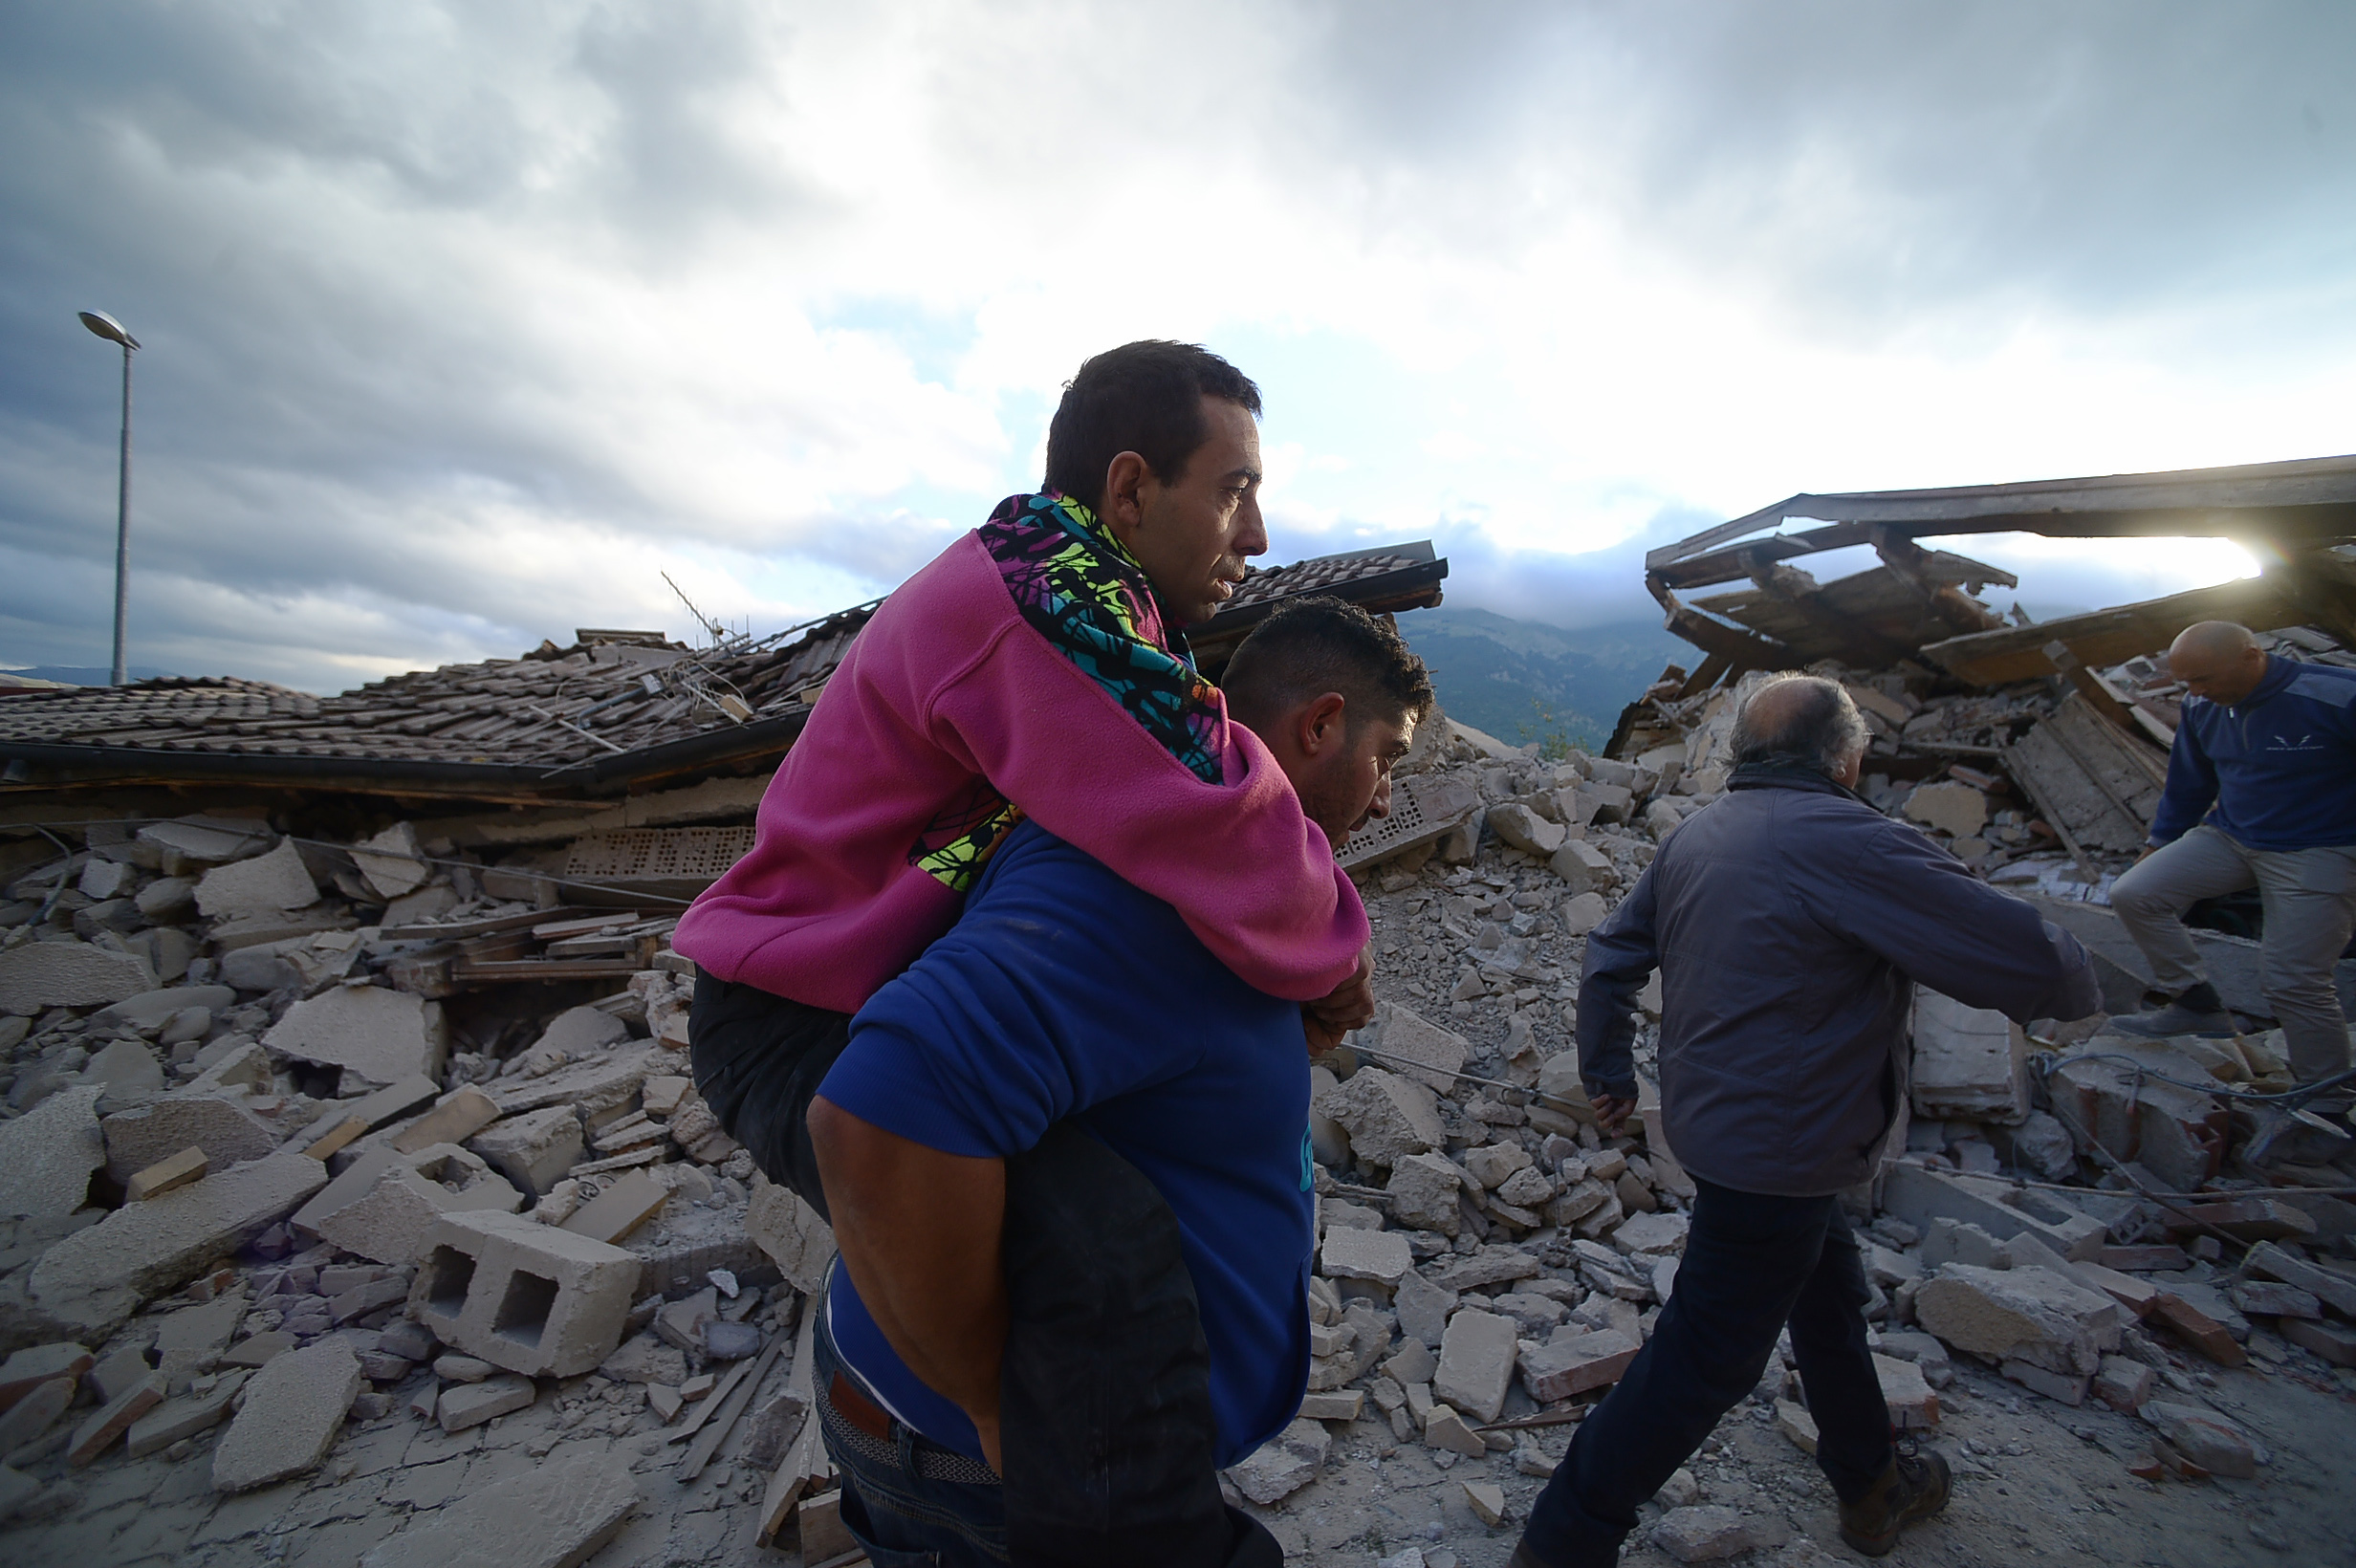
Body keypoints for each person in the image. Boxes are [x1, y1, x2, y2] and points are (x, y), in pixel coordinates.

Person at [676, 339, 1375, 1220]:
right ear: (1130, 491)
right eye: (1234, 490)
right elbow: (1211, 804)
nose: (1257, 535)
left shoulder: (1080, 584)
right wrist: (1335, 959)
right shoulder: (1046, 596)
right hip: (793, 1019)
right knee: (1097, 1280)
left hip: (872, 996)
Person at [806, 597, 1435, 1567]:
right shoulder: (1142, 891)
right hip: (990, 1465)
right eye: (1385, 757)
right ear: (1319, 724)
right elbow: (875, 1113)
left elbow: (1127, 1057)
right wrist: (989, 1401)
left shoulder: (1223, 875)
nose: (1387, 797)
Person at [1509, 675, 2102, 1567]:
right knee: (1705, 1358)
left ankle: (1870, 1484)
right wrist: (2105, 994)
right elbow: (2029, 956)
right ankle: (1561, 1543)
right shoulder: (1857, 844)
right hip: (1783, 1149)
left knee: (1828, 1298)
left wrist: (1609, 1072)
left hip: (1723, 1131)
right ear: (1849, 758)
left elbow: (1609, 958)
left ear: (1741, 756)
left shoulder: (1699, 834)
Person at [2105, 621, 2356, 1085]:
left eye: (2205, 679)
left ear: (2250, 656)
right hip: (2232, 837)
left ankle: (2326, 1102)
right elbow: (2188, 786)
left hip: (2320, 847)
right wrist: (2156, 844)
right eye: (2188, 683)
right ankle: (2196, 1005)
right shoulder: (2204, 706)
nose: (2196, 691)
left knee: (2294, 981)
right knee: (2135, 893)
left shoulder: (2337, 696)